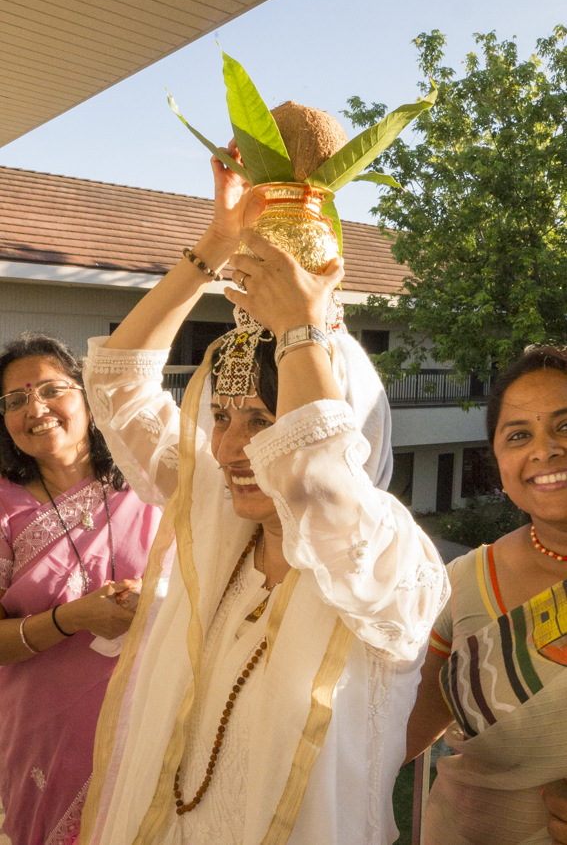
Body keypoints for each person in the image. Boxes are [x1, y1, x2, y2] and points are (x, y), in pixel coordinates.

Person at [78, 147, 448, 845]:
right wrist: (214, 246)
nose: (227, 451)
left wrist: (302, 331)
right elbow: (121, 384)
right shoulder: (215, 530)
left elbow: (314, 483)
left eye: (262, 422)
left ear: (340, 428)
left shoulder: (389, 567)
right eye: (221, 417)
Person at [0, 334, 161, 845]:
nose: (37, 408)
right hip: (46, 735)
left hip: (153, 712)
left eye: (51, 389)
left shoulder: (151, 481)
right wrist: (73, 618)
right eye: (16, 400)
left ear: (88, 396)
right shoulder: (4, 507)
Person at [406, 345, 567, 845]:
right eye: (519, 435)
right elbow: (393, 734)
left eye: (565, 426)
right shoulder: (461, 583)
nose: (545, 450)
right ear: (498, 460)